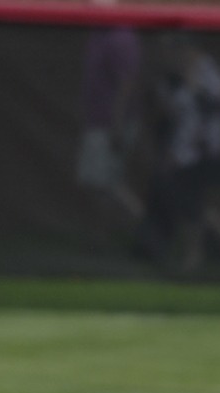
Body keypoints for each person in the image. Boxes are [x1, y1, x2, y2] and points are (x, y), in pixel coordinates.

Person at [137, 32, 220, 270]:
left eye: (176, 50)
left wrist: (180, 153)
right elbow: (171, 112)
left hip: (205, 150)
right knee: (185, 200)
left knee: (193, 201)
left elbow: (207, 115)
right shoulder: (171, 78)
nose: (171, 55)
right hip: (183, 149)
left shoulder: (210, 73)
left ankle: (196, 253)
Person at [76, 2, 144, 226]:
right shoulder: (98, 33)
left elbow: (127, 85)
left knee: (108, 184)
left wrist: (117, 125)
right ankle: (103, 238)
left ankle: (149, 230)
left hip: (111, 125)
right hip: (97, 122)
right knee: (96, 184)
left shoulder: (121, 37)